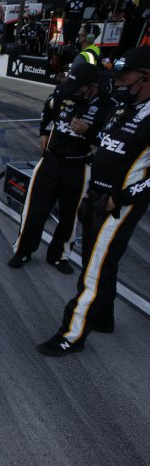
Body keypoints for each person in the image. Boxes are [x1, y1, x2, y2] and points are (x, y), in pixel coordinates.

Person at [38, 47, 150, 356]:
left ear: (145, 78)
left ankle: (71, 335)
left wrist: (121, 197)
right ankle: (103, 317)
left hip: (120, 204)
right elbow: (107, 143)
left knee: (94, 270)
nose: (118, 85)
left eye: (124, 79)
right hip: (97, 195)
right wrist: (90, 134)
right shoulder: (123, 107)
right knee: (97, 262)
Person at [9, 63, 116, 274]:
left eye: (79, 88)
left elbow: (112, 140)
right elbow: (48, 108)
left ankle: (58, 255)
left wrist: (88, 131)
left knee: (70, 216)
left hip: (79, 166)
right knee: (34, 211)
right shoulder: (64, 91)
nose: (73, 91)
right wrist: (43, 132)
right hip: (50, 161)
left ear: (93, 86)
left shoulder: (109, 105)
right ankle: (23, 251)